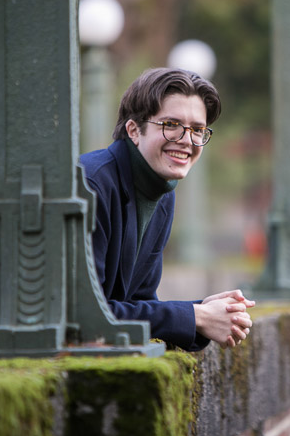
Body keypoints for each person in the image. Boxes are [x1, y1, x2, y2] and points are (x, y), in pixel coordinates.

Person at [80, 68, 255, 350]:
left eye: (198, 130)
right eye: (171, 124)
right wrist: (195, 316)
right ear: (134, 131)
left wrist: (204, 311)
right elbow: (86, 315)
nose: (187, 140)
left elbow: (136, 304)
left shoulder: (162, 193)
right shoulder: (90, 185)